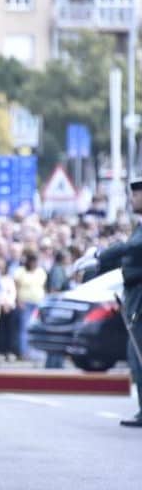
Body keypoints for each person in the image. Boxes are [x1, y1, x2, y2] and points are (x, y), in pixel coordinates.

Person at [78, 178, 142, 427]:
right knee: (135, 354)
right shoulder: (138, 227)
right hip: (134, 295)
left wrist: (99, 255)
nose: (133, 199)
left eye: (137, 194)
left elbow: (130, 249)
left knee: (138, 352)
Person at [13, 251, 47, 362]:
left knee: (37, 328)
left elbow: (43, 287)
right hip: (25, 303)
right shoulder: (20, 272)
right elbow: (16, 288)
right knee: (24, 328)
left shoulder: (41, 271)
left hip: (38, 303)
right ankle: (23, 352)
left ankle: (36, 353)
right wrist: (18, 301)